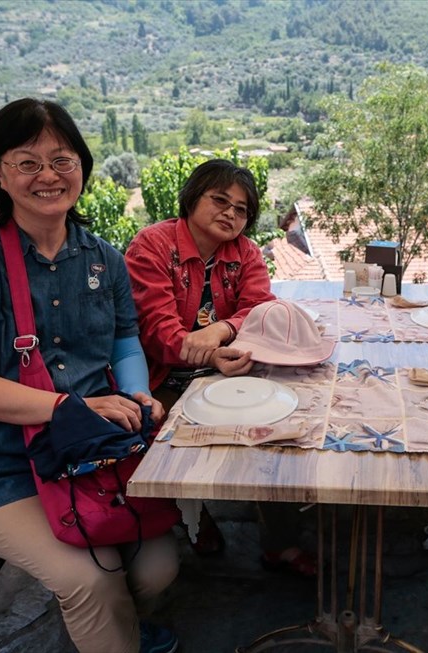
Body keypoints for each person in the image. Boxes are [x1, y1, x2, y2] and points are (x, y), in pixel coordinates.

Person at [0, 98, 180, 653]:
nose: (48, 176)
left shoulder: (103, 258)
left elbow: (124, 341)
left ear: (82, 166)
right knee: (93, 579)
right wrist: (69, 408)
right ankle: (111, 630)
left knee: (158, 566)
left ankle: (118, 630)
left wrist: (137, 393)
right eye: (27, 162)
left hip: (86, 453)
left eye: (62, 160)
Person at [125, 159, 317, 577]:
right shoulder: (152, 245)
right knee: (165, 438)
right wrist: (210, 353)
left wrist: (224, 330)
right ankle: (193, 516)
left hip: (229, 368)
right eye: (220, 200)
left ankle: (279, 541)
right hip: (163, 376)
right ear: (193, 198)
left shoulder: (245, 252)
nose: (231, 213)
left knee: (274, 425)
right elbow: (157, 331)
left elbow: (259, 307)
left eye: (242, 209)